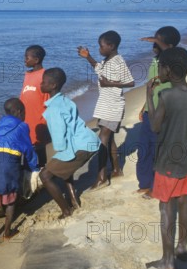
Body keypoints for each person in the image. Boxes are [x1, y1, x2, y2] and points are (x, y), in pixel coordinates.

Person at [145, 47, 187, 269]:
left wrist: (149, 97)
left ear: (168, 70)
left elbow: (155, 126)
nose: (158, 70)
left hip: (167, 162)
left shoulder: (166, 95)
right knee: (183, 203)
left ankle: (167, 260)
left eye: (160, 67)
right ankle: (182, 248)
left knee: (166, 208)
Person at [39, 68, 100, 218]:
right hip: (89, 140)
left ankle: (66, 211)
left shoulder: (54, 108)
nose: (41, 84)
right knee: (66, 166)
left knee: (45, 176)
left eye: (44, 82)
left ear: (53, 85)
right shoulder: (65, 100)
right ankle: (73, 200)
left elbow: (59, 139)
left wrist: (57, 153)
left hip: (81, 145)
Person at [78, 30, 134, 189]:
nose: (99, 49)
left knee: (103, 138)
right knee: (109, 139)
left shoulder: (118, 61)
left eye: (101, 46)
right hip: (104, 103)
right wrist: (87, 56)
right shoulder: (107, 60)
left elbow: (130, 82)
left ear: (111, 46)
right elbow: (98, 69)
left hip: (113, 104)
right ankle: (116, 169)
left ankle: (102, 176)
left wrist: (110, 84)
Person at [0, 98, 39, 244]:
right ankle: (7, 232)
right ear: (19, 112)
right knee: (11, 201)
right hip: (9, 166)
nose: (25, 115)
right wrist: (34, 168)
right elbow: (28, 150)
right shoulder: (22, 126)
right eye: (24, 112)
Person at [137, 26, 181, 198]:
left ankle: (157, 187)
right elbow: (151, 87)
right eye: (154, 39)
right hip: (150, 110)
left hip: (163, 112)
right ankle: (145, 183)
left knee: (159, 151)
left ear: (168, 45)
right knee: (144, 149)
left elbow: (171, 55)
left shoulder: (173, 60)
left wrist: (158, 42)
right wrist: (144, 106)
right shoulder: (155, 60)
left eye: (158, 40)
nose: (154, 42)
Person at [20, 45, 50, 166]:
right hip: (26, 120)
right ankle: (28, 175)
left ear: (36, 60)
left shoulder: (45, 76)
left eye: (27, 58)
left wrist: (46, 122)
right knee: (26, 149)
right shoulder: (27, 75)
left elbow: (48, 101)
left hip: (39, 121)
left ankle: (42, 175)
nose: (25, 60)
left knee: (39, 149)